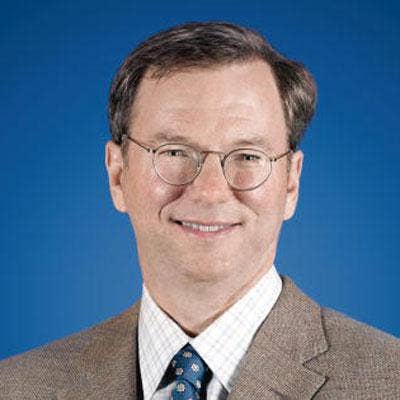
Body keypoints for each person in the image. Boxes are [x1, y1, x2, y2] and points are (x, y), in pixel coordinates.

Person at [1, 21, 399, 400]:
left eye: (248, 155)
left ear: (291, 183)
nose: (210, 192)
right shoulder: (15, 387)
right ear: (118, 175)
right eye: (174, 152)